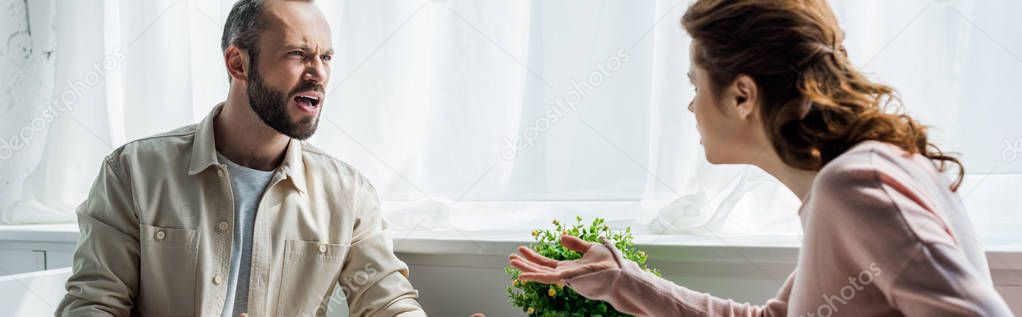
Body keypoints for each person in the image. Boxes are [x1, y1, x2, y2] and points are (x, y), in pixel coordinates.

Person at [508, 0, 1014, 316]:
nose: (690, 106)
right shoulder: (852, 179)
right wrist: (623, 280)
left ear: (742, 96)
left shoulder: (856, 187)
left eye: (695, 86)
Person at [54, 0, 426, 316]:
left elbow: (387, 301)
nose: (319, 74)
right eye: (298, 54)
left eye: (325, 57)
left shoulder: (348, 193)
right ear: (238, 64)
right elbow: (93, 305)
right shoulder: (133, 172)